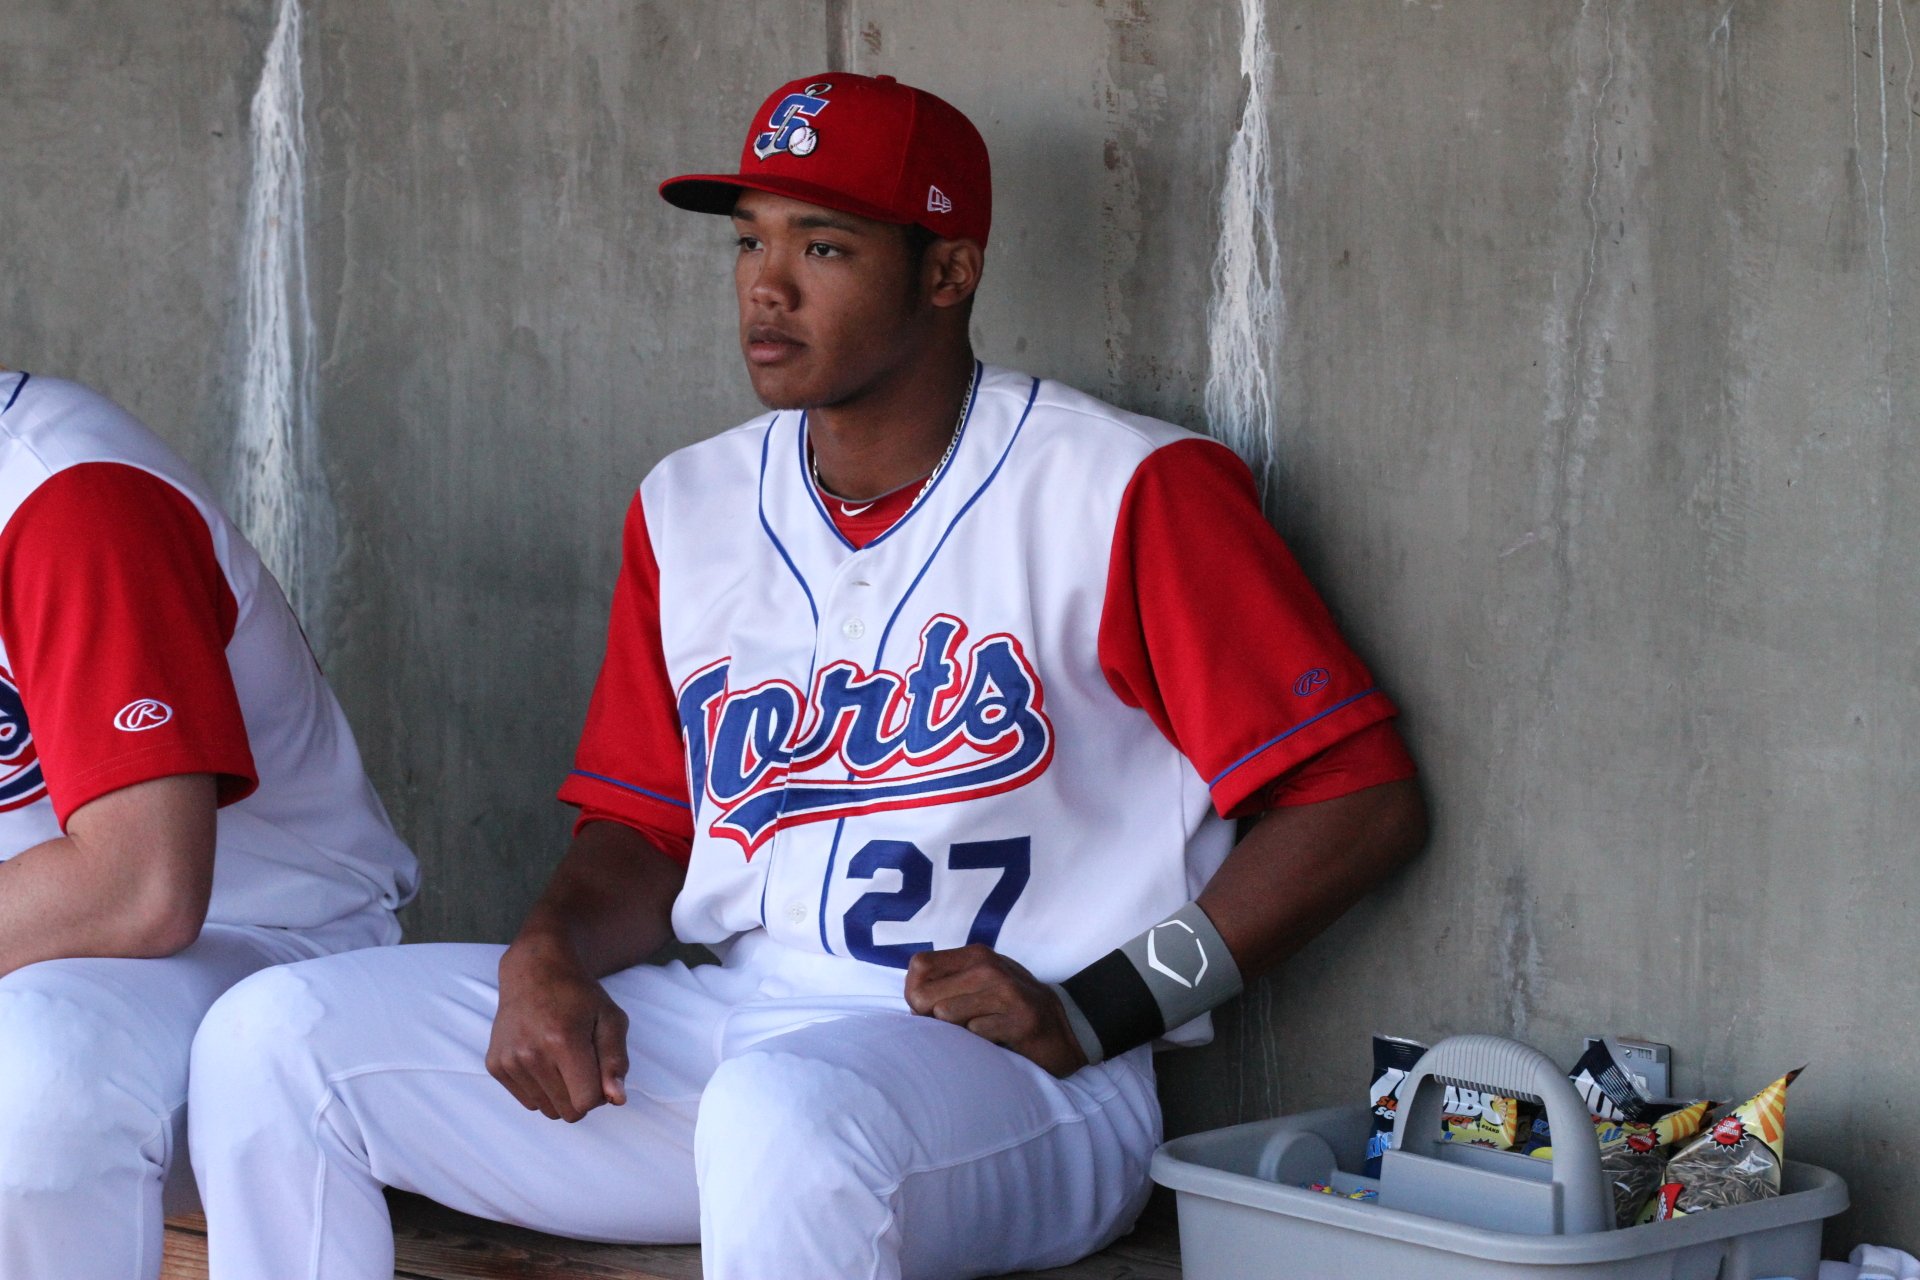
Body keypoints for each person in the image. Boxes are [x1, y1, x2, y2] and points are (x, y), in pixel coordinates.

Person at [188, 73, 1426, 1280]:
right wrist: (549, 948)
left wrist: (1104, 1006)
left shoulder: (1123, 490)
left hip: (1024, 1082)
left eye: (823, 247)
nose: (764, 288)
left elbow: (1358, 800)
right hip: (734, 1038)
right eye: (747, 242)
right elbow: (644, 825)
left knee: (784, 1113)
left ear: (947, 273)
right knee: (272, 1037)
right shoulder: (692, 505)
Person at [0, 369, 419, 1280]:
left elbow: (140, 889)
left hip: (263, 957)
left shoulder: (68, 498)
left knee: (30, 1072)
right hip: (38, 951)